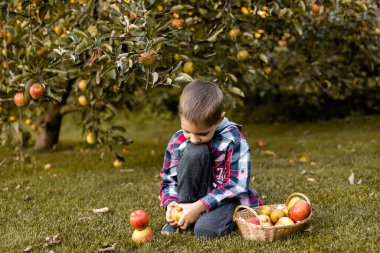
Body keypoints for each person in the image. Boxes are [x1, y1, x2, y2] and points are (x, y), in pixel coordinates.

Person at [159, 80, 261, 238]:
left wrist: (199, 206)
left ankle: (225, 214)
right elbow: (169, 179)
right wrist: (170, 203)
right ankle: (184, 211)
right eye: (187, 131)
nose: (193, 138)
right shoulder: (178, 140)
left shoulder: (233, 140)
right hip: (194, 195)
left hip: (224, 199)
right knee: (193, 151)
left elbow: (236, 184)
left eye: (202, 133)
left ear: (219, 119)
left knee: (205, 231)